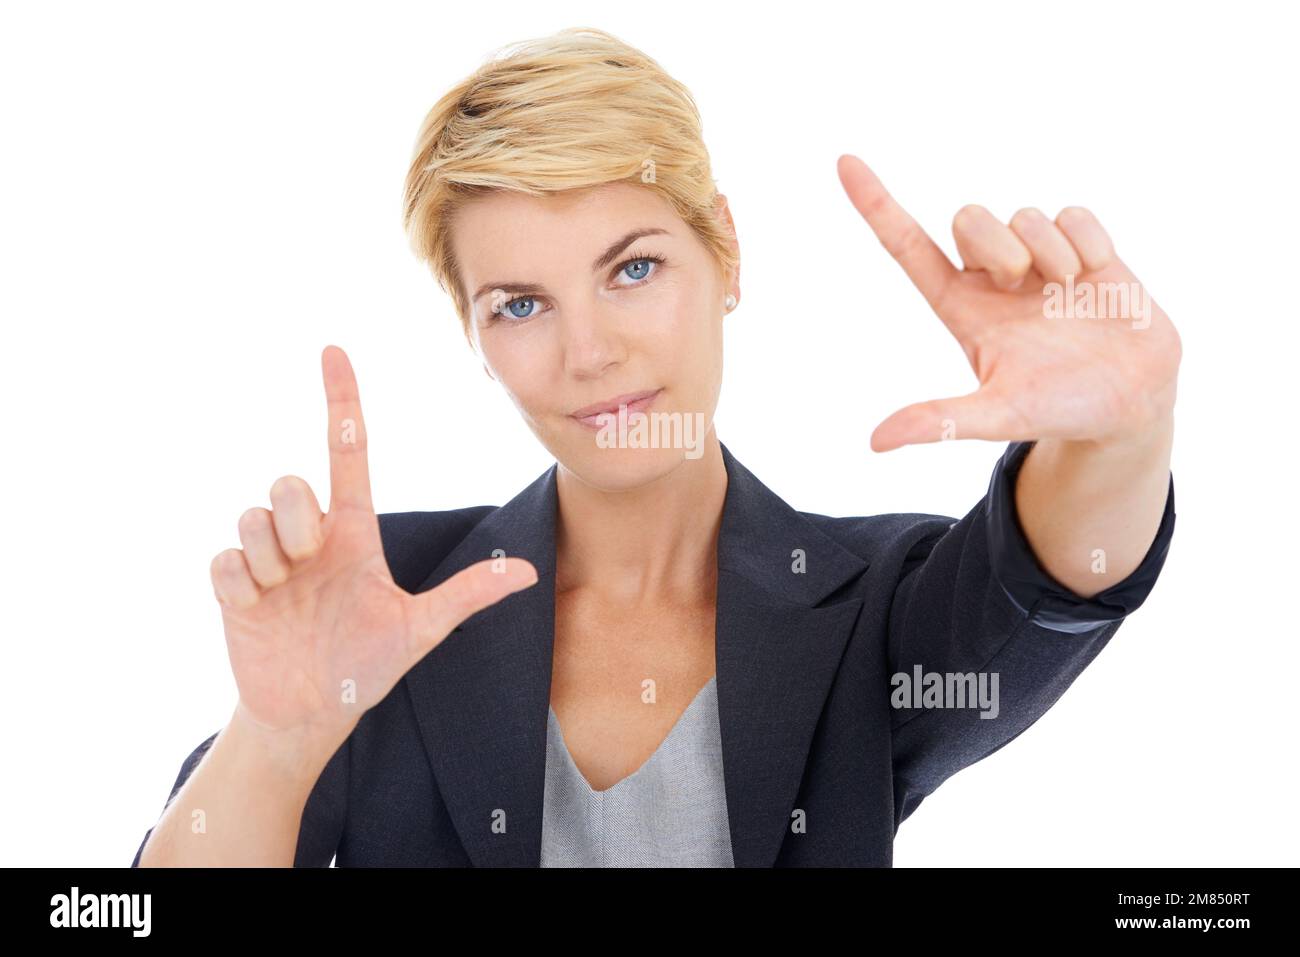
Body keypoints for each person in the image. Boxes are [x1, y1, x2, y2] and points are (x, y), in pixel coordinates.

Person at [131, 27, 1179, 867]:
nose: (588, 352)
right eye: (521, 304)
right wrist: (275, 746)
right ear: (475, 340)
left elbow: (1052, 578)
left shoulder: (865, 612)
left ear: (725, 253)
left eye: (632, 269)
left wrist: (1121, 434)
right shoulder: (384, 606)